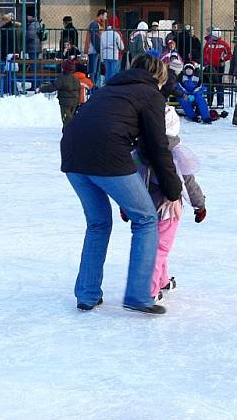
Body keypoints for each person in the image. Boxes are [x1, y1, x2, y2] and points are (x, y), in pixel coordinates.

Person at [60, 53, 183, 315]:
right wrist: (173, 190)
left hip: (72, 154)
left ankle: (87, 293)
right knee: (146, 219)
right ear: (158, 78)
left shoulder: (109, 89)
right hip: (106, 154)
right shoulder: (151, 94)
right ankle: (139, 296)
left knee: (98, 223)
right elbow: (158, 147)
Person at [128, 104, 206, 301]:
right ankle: (149, 290)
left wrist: (125, 206)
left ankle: (161, 280)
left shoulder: (138, 151)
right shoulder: (176, 153)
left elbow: (131, 180)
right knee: (159, 249)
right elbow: (188, 182)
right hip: (167, 210)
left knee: (154, 246)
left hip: (141, 207)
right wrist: (199, 204)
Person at [39, 59, 81, 127]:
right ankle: (71, 133)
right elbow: (79, 90)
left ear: (64, 68)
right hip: (75, 102)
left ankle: (67, 135)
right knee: (71, 119)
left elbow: (53, 87)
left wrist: (42, 88)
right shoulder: (75, 78)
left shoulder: (62, 78)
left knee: (67, 121)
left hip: (65, 103)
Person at [202, 28, 231, 108]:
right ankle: (209, 101)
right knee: (210, 84)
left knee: (219, 84)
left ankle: (220, 102)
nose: (213, 38)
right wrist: (206, 61)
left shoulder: (223, 44)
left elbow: (229, 54)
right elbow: (204, 53)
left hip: (219, 66)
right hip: (210, 66)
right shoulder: (208, 43)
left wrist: (223, 59)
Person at [84, 9, 105, 85]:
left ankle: (94, 86)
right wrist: (99, 49)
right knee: (93, 70)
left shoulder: (99, 24)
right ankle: (91, 86)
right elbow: (94, 38)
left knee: (96, 70)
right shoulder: (95, 24)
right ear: (101, 15)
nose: (105, 18)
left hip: (96, 51)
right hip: (94, 51)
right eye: (105, 16)